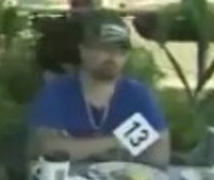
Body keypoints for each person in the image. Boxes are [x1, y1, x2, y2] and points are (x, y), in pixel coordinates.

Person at [28, 18, 170, 166]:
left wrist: (77, 148)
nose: (113, 56)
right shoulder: (58, 91)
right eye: (105, 48)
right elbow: (45, 148)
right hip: (68, 179)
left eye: (121, 51)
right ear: (83, 51)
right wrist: (115, 142)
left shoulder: (138, 94)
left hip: (123, 179)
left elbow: (159, 154)